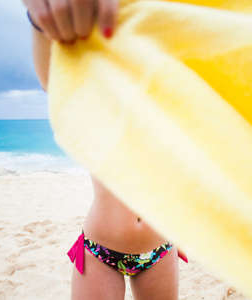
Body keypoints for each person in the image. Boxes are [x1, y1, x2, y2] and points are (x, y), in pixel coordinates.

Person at [22, 1, 186, 299]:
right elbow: (53, 82)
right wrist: (38, 21)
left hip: (160, 247)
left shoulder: (171, 107)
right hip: (100, 251)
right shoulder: (98, 104)